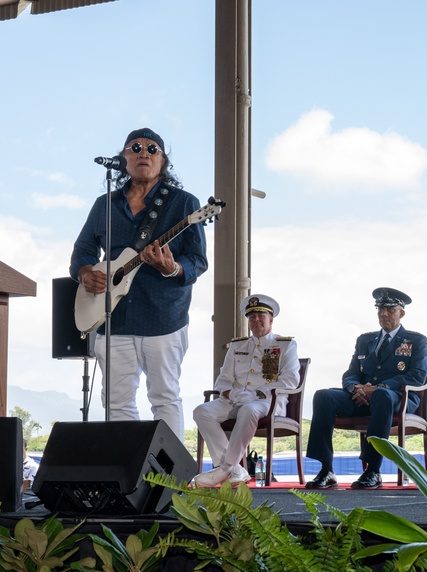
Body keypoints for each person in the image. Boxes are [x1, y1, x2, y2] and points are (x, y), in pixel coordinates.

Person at [70, 128, 208, 441]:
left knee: (164, 397)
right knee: (116, 402)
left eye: (152, 148)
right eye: (135, 147)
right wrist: (85, 272)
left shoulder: (184, 204)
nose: (143, 152)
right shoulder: (105, 204)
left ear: (163, 160)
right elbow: (82, 251)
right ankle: (126, 473)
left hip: (163, 317)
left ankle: (170, 479)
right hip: (112, 316)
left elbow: (198, 260)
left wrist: (172, 268)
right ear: (123, 158)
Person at [304, 288, 427, 490]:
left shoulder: (416, 341)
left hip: (398, 399)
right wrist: (356, 388)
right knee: (323, 396)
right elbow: (351, 373)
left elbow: (417, 375)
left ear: (402, 313)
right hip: (363, 397)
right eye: (380, 309)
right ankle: (326, 469)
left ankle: (373, 470)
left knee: (381, 395)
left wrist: (380, 387)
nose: (383, 314)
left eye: (389, 309)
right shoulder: (365, 340)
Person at [191, 294, 300, 487]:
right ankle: (236, 470)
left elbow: (290, 379)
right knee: (202, 411)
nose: (256, 320)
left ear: (271, 319)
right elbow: (223, 379)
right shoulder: (237, 345)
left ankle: (224, 469)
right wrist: (230, 393)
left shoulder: (285, 344)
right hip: (235, 399)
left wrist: (256, 394)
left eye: (261, 316)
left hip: (267, 401)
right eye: (252, 317)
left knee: (248, 410)